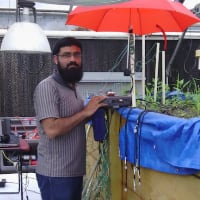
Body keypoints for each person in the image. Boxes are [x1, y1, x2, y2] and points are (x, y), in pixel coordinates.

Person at [33, 37, 107, 200]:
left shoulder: (72, 86)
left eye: (77, 54)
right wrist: (85, 112)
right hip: (56, 174)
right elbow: (52, 129)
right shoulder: (47, 87)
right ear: (56, 59)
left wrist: (102, 102)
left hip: (73, 171)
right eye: (66, 55)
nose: (73, 59)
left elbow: (76, 118)